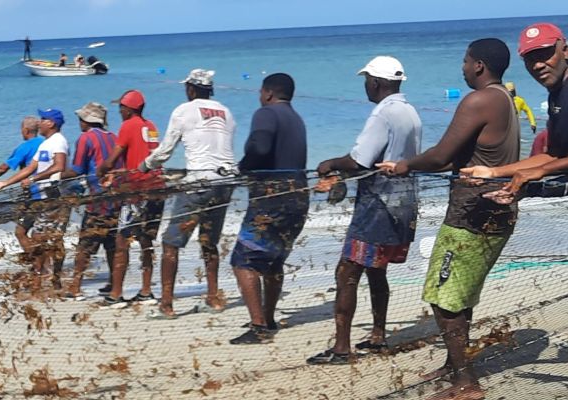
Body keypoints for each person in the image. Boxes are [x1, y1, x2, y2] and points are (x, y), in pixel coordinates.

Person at [469, 21, 568, 392]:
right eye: (530, 58)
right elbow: (553, 154)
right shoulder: (557, 94)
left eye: (545, 53)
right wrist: (497, 172)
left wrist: (537, 174)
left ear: (564, 47)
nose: (538, 64)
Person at [377, 38, 520, 398]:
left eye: (465, 61)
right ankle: (455, 364)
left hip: (473, 213)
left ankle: (465, 382)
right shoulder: (505, 98)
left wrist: (405, 165)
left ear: (479, 66)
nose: (462, 67)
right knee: (461, 292)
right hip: (498, 209)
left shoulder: (479, 99)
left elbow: (441, 156)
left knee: (443, 296)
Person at [308, 56, 421, 363]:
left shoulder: (383, 113)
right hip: (405, 201)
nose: (365, 85)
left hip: (378, 203)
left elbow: (359, 161)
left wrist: (329, 164)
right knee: (376, 268)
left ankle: (342, 348)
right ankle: (378, 335)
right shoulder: (410, 111)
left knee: (347, 270)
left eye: (367, 80)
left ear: (376, 82)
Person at [141, 69, 237, 317]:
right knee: (209, 241)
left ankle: (167, 305)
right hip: (225, 182)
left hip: (198, 183)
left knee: (170, 243)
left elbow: (165, 149)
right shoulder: (226, 112)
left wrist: (146, 165)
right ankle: (213, 299)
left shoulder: (183, 110)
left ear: (191, 89)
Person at [228, 72, 309, 345]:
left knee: (243, 260)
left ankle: (259, 325)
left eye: (260, 93)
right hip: (298, 195)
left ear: (268, 93)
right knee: (274, 260)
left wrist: (244, 166)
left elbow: (260, 147)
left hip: (272, 196)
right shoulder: (296, 119)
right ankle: (270, 318)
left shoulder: (266, 114)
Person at [97, 90, 165, 304]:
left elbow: (113, 158)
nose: (119, 111)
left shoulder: (128, 125)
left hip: (137, 191)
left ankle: (116, 293)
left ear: (129, 109)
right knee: (146, 240)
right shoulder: (151, 126)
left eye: (121, 108)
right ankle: (146, 291)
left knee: (122, 241)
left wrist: (102, 170)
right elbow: (144, 157)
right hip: (157, 187)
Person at [0, 109, 72, 289]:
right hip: (42, 198)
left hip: (54, 196)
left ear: (51, 123)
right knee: (41, 238)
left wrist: (35, 179)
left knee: (50, 239)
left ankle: (52, 279)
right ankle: (43, 278)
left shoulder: (59, 141)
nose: (40, 122)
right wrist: (4, 183)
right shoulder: (46, 143)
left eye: (43, 119)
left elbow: (59, 166)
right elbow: (29, 169)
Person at [63, 102, 119, 299]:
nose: (79, 123)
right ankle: (114, 283)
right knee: (111, 243)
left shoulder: (86, 138)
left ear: (87, 121)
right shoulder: (114, 137)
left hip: (97, 198)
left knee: (85, 244)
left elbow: (77, 169)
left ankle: (75, 287)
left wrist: (56, 176)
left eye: (80, 119)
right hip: (117, 197)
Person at [0, 117, 46, 253]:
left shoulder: (25, 147)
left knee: (20, 232)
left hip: (35, 194)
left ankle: (37, 266)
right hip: (50, 193)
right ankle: (42, 267)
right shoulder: (46, 143)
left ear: (26, 130)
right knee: (40, 234)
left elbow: (3, 168)